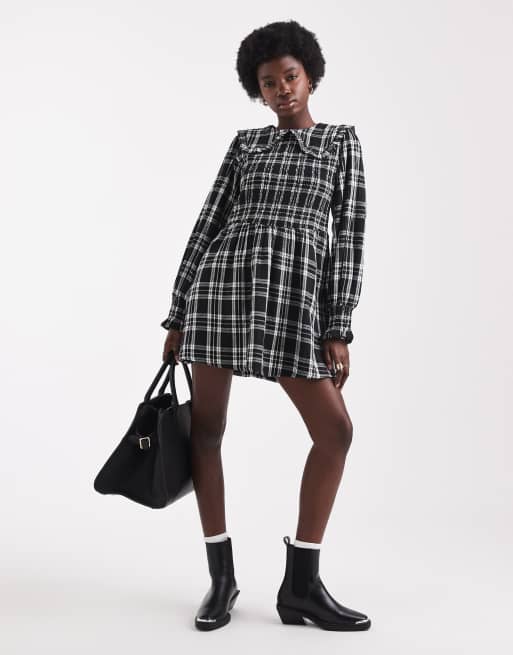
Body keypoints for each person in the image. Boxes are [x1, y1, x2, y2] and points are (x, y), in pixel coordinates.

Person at [161, 20, 370, 632]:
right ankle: (221, 580)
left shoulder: (340, 143)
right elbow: (208, 223)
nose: (281, 89)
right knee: (206, 432)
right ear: (257, 90)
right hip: (222, 293)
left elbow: (349, 239)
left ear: (311, 77)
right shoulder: (245, 146)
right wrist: (178, 311)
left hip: (293, 304)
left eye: (290, 77)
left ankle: (301, 585)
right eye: (268, 82)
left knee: (335, 432)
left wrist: (338, 326)